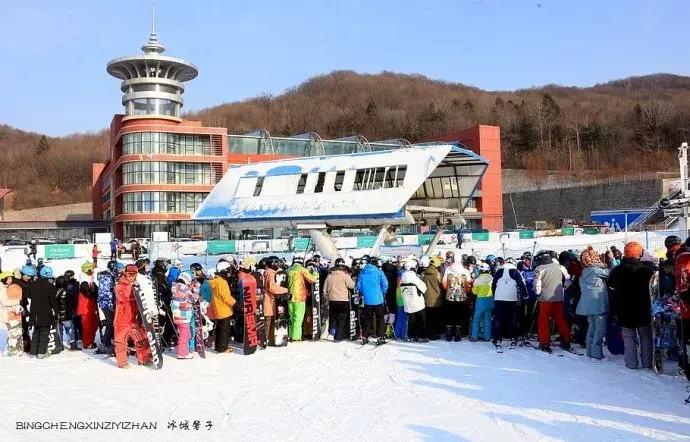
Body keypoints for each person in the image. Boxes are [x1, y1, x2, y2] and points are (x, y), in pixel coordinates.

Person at [608, 241, 654, 370]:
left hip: (623, 310)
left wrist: (614, 311)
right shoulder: (647, 271)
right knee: (645, 336)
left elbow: (611, 293)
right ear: (639, 254)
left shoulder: (616, 272)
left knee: (629, 338)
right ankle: (647, 363)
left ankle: (632, 364)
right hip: (643, 310)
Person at [114, 264, 153, 369]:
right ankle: (122, 362)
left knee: (141, 339)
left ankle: (144, 359)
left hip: (133, 319)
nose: (131, 276)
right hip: (121, 320)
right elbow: (122, 297)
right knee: (121, 342)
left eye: (133, 274)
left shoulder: (138, 285)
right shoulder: (119, 285)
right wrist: (132, 287)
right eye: (129, 274)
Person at [534, 250, 572, 353]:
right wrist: (562, 289)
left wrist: (538, 293)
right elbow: (568, 279)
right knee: (560, 319)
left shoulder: (540, 268)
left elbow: (537, 286)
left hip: (545, 299)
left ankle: (545, 342)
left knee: (544, 320)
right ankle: (566, 340)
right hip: (559, 297)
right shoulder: (560, 267)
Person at [576, 246, 610, 360]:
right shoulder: (596, 270)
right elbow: (612, 272)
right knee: (599, 329)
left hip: (587, 306)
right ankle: (596, 353)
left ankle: (589, 351)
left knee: (591, 327)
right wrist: (612, 260)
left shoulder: (583, 272)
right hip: (598, 304)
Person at [492, 257, 527, 348]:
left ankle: (497, 339)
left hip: (499, 298)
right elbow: (521, 284)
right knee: (512, 319)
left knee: (498, 318)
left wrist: (494, 294)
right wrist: (525, 295)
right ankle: (513, 337)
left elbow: (493, 284)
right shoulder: (516, 272)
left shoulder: (499, 272)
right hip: (511, 298)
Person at [356, 256, 388, 345]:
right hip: (378, 299)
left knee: (367, 319)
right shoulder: (379, 272)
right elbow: (385, 284)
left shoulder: (362, 273)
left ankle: (365, 337)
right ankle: (380, 337)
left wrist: (363, 293)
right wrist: (382, 292)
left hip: (367, 300)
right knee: (380, 318)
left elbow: (358, 286)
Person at [28, 266, 58, 359]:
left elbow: (29, 296)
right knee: (44, 334)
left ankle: (33, 352)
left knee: (36, 333)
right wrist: (57, 312)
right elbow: (53, 302)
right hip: (46, 313)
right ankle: (41, 353)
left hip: (34, 313)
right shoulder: (50, 286)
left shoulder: (32, 284)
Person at [287, 256, 319, 342]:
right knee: (298, 318)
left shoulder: (288, 270)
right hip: (299, 297)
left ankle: (290, 335)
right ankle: (296, 337)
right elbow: (311, 279)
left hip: (289, 297)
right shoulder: (302, 270)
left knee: (291, 317)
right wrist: (315, 273)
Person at [324, 257, 355, 342]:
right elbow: (351, 286)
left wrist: (327, 298)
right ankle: (338, 338)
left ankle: (332, 330)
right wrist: (354, 280)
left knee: (333, 316)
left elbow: (324, 289)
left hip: (332, 300)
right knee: (341, 319)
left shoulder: (329, 276)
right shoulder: (345, 276)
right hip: (343, 300)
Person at [442, 254, 471, 341]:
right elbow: (469, 283)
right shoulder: (465, 271)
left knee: (450, 313)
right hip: (461, 296)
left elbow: (444, 283)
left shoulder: (448, 270)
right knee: (459, 313)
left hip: (450, 295)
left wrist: (449, 290)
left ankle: (449, 333)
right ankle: (458, 332)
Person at [171, 272, 199, 359]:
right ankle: (182, 353)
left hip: (177, 314)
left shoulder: (175, 286)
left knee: (184, 333)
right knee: (185, 334)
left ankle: (184, 351)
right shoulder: (183, 288)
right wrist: (196, 289)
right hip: (183, 315)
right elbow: (194, 299)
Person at [210, 261, 236, 353]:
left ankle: (218, 346)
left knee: (220, 329)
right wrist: (235, 303)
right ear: (223, 270)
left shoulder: (215, 281)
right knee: (225, 330)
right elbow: (226, 297)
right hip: (224, 309)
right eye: (228, 270)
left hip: (218, 308)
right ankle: (223, 348)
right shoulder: (222, 282)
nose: (229, 273)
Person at [400, 258, 428, 342]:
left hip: (407, 302)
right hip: (418, 302)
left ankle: (411, 336)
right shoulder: (415, 278)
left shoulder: (402, 278)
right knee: (421, 320)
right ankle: (421, 336)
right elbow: (424, 288)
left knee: (411, 320)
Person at [263, 256, 287, 346]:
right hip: (269, 300)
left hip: (270, 300)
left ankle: (270, 339)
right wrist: (285, 290)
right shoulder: (270, 274)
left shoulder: (271, 272)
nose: (278, 264)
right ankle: (265, 339)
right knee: (268, 320)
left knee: (271, 320)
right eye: (276, 262)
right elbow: (273, 288)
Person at [96, 260, 118, 354]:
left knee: (112, 323)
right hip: (107, 303)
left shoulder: (111, 275)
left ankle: (109, 341)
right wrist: (112, 301)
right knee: (111, 323)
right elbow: (105, 292)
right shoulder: (106, 276)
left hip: (109, 302)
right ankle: (106, 343)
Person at [0, 271, 24, 356]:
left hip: (10, 313)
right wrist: (17, 301)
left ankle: (11, 350)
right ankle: (13, 350)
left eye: (11, 278)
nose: (10, 280)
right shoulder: (2, 288)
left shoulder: (6, 287)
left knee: (11, 332)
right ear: (3, 279)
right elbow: (4, 302)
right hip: (7, 314)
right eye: (8, 278)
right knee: (13, 332)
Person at [77, 262, 99, 350]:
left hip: (91, 306)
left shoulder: (90, 279)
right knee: (87, 326)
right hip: (86, 307)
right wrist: (95, 291)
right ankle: (87, 343)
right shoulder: (84, 282)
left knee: (93, 324)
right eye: (91, 269)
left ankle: (91, 341)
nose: (93, 271)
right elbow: (89, 294)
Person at [421, 256, 443, 340]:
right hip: (436, 299)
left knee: (428, 317)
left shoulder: (423, 273)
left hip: (426, 298)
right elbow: (441, 284)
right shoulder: (438, 274)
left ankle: (428, 333)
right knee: (436, 317)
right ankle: (435, 333)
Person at [471, 263, 494, 342]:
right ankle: (487, 338)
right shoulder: (491, 278)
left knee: (476, 320)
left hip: (480, 301)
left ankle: (474, 337)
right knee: (487, 320)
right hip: (490, 301)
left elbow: (474, 292)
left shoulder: (478, 280)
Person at [55, 275, 79, 351]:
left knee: (59, 331)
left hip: (58, 315)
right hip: (67, 315)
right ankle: (73, 345)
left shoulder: (54, 291)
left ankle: (60, 345)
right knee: (70, 331)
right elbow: (71, 303)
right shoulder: (68, 292)